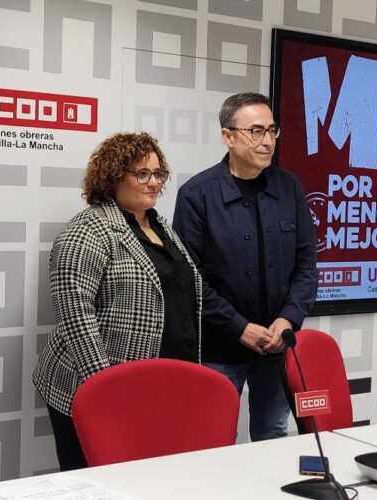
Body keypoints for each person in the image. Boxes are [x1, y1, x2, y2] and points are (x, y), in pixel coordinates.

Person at [33, 132, 202, 470]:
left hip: (159, 386)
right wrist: (107, 393)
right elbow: (76, 318)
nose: (154, 182)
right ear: (112, 177)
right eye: (142, 174)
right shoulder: (87, 231)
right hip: (99, 387)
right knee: (94, 482)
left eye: (159, 174)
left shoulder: (159, 226)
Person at [173, 92, 317, 441]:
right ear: (228, 136)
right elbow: (189, 279)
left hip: (276, 346)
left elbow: (306, 264)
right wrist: (239, 327)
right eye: (256, 131)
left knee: (272, 433)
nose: (267, 140)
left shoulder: (289, 187)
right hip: (220, 348)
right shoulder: (197, 194)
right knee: (210, 439)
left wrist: (289, 319)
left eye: (271, 130)